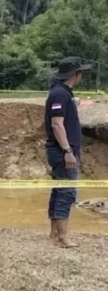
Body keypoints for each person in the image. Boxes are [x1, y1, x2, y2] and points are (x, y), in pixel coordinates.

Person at [45, 56, 91, 248]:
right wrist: (68, 151)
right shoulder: (59, 94)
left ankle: (54, 234)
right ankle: (63, 237)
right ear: (76, 74)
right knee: (67, 193)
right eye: (81, 72)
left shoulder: (63, 93)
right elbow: (57, 125)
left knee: (59, 191)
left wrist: (76, 102)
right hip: (62, 152)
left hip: (62, 151)